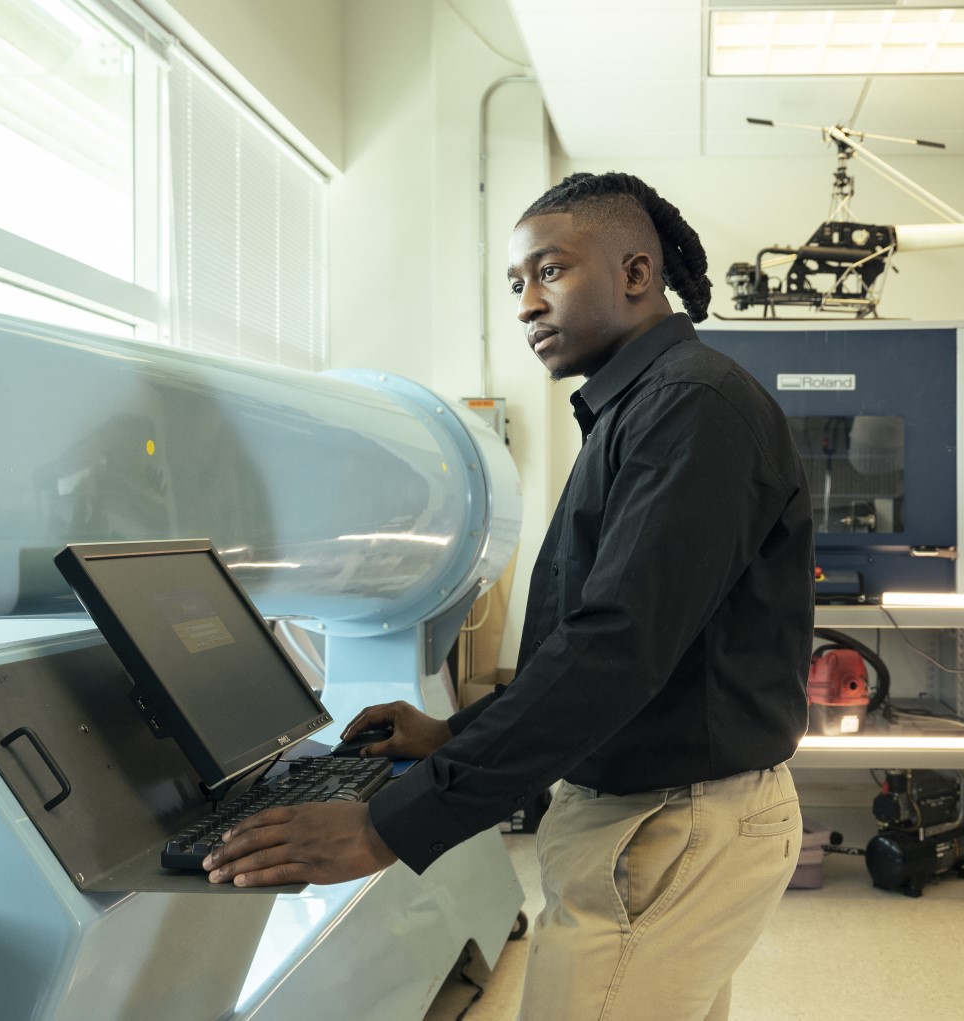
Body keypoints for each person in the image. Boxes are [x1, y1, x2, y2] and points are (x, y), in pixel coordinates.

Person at [201, 171, 812, 1021]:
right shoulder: (642, 410)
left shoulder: (689, 406)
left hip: (671, 822)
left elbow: (615, 648)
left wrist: (392, 825)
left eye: (550, 271)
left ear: (636, 273)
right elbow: (591, 644)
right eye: (516, 283)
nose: (526, 302)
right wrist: (457, 729)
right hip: (659, 813)